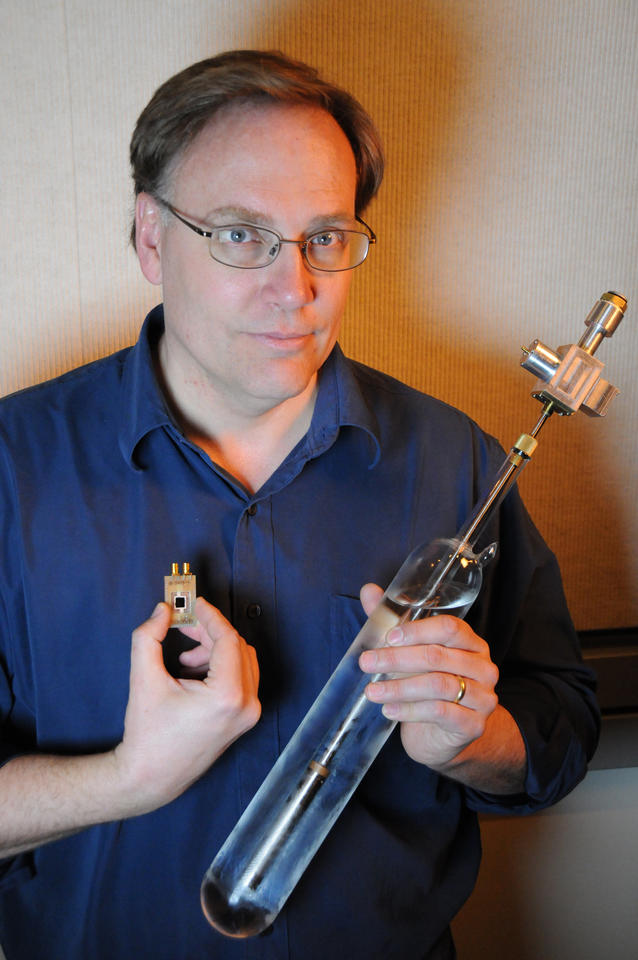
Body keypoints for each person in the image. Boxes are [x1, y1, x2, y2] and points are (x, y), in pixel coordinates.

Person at [0, 50, 599, 960]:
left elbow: (559, 727)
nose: (297, 289)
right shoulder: (13, 468)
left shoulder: (456, 462)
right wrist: (128, 779)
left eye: (325, 236)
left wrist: (478, 740)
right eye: (240, 235)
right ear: (151, 237)